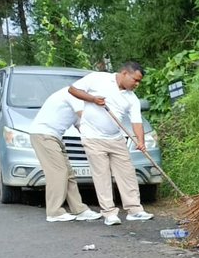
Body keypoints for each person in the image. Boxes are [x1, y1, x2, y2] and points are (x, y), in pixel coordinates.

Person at [68, 62, 154, 226]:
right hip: (92, 136)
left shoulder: (131, 98)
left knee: (127, 173)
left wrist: (140, 141)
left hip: (116, 138)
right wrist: (92, 99)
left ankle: (134, 210)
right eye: (135, 80)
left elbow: (137, 122)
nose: (137, 84)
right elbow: (72, 90)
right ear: (124, 74)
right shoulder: (98, 78)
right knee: (102, 174)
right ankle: (109, 212)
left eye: (139, 82)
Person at [27, 86, 103, 222]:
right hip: (43, 135)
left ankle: (79, 210)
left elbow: (82, 127)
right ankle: (54, 212)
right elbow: (85, 118)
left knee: (68, 174)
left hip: (54, 136)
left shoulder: (82, 103)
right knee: (58, 172)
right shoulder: (74, 94)